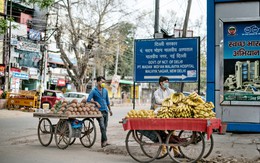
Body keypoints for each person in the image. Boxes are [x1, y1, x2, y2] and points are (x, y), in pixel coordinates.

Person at [87, 76, 113, 148]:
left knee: (105, 127)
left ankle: (103, 143)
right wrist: (95, 102)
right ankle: (105, 141)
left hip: (105, 110)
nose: (103, 83)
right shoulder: (94, 91)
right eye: (102, 82)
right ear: (98, 82)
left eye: (104, 82)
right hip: (98, 112)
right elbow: (88, 100)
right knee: (102, 126)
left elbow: (107, 101)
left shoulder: (105, 91)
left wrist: (110, 110)